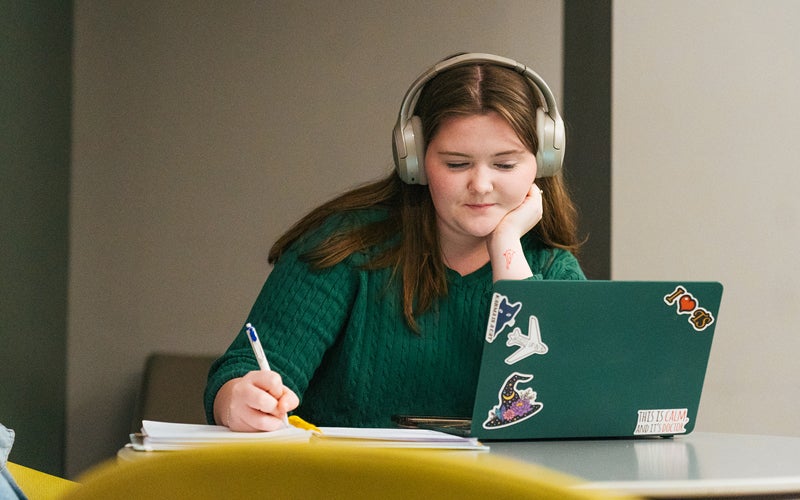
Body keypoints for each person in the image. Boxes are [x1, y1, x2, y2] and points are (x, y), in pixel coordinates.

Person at [204, 53, 585, 432]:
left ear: (544, 161)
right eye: (456, 164)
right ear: (415, 162)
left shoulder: (551, 268)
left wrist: (505, 246)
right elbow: (246, 370)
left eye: (505, 165)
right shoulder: (345, 246)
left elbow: (561, 407)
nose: (481, 185)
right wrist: (236, 398)